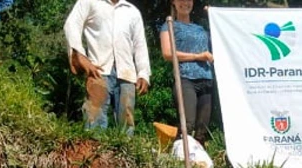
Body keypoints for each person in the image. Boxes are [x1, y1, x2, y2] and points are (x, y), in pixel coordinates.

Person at [64, 0, 150, 135]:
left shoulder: (132, 11)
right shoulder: (89, 2)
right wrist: (79, 55)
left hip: (127, 74)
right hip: (98, 70)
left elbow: (140, 44)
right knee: (94, 121)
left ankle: (125, 155)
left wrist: (144, 73)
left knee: (126, 126)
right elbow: (72, 24)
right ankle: (93, 153)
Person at [160, 0, 215, 146]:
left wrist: (214, 16)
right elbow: (167, 53)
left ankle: (198, 162)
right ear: (174, 2)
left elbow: (221, 40)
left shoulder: (201, 29)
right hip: (185, 79)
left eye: (188, 0)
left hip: (207, 79)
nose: (185, 3)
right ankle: (179, 156)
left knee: (203, 129)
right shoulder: (170, 26)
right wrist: (198, 57)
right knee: (187, 123)